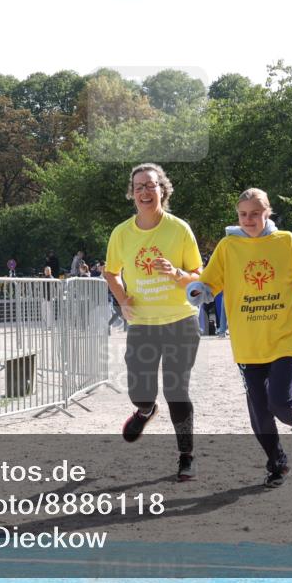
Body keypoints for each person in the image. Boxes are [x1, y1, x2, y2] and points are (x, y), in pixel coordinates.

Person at [187, 189, 292, 487]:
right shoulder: (228, 246)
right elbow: (208, 285)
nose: (248, 219)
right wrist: (196, 291)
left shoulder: (286, 242)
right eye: (243, 214)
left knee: (281, 403)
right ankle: (277, 463)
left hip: (286, 338)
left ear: (267, 213)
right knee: (260, 411)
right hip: (248, 344)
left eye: (255, 214)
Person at [103, 163, 202, 482]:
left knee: (176, 390)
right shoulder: (121, 233)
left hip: (180, 321)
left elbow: (198, 276)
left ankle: (186, 456)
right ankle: (145, 410)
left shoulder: (179, 229)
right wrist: (122, 299)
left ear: (163, 190)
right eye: (139, 187)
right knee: (139, 390)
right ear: (132, 194)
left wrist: (176, 273)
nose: (144, 191)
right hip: (142, 323)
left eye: (151, 185)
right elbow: (111, 272)